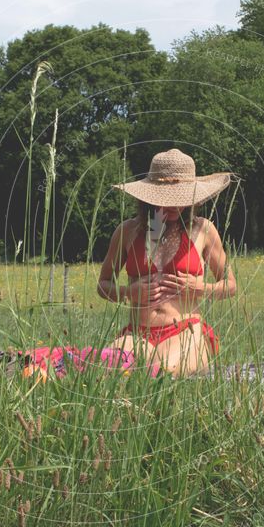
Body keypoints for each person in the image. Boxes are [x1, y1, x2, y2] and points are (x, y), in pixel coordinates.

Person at [97, 148, 237, 377]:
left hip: (186, 330)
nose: (175, 206)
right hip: (137, 333)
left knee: (165, 372)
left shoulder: (204, 229)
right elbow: (103, 285)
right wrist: (129, 292)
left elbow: (230, 285)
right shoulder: (127, 231)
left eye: (182, 198)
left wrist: (200, 288)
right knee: (114, 371)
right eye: (167, 198)